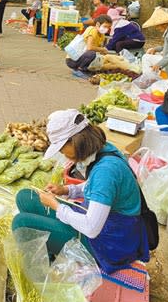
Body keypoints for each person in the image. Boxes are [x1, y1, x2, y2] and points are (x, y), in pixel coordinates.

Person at [13, 109, 150, 273]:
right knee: (25, 197)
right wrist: (66, 190)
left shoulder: (106, 171)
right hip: (104, 222)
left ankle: (40, 272)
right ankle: (50, 250)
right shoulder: (103, 150)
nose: (63, 155)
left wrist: (56, 206)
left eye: (63, 149)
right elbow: (95, 188)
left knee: (21, 223)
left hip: (110, 243)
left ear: (76, 141)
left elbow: (91, 228)